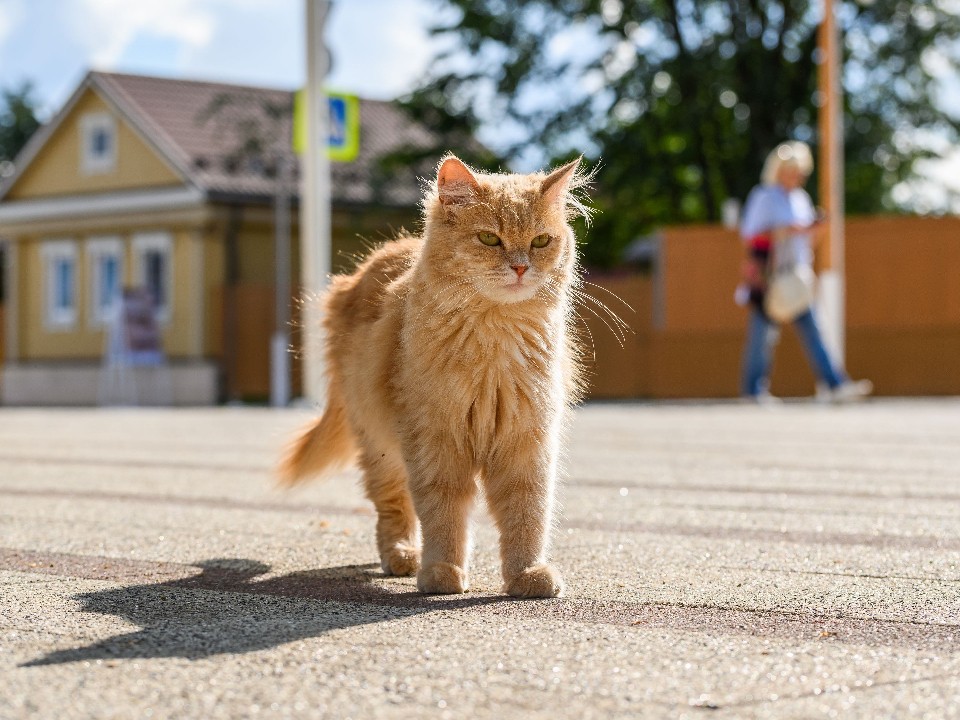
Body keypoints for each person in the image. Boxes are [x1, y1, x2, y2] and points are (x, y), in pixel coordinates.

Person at [736, 140, 872, 404]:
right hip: (770, 276)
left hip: (797, 276)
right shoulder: (764, 195)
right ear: (778, 170)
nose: (797, 176)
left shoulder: (801, 199)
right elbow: (750, 236)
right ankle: (752, 391)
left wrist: (814, 229)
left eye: (800, 171)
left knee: (813, 330)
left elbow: (807, 240)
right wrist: (788, 230)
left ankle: (835, 385)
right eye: (792, 170)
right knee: (763, 335)